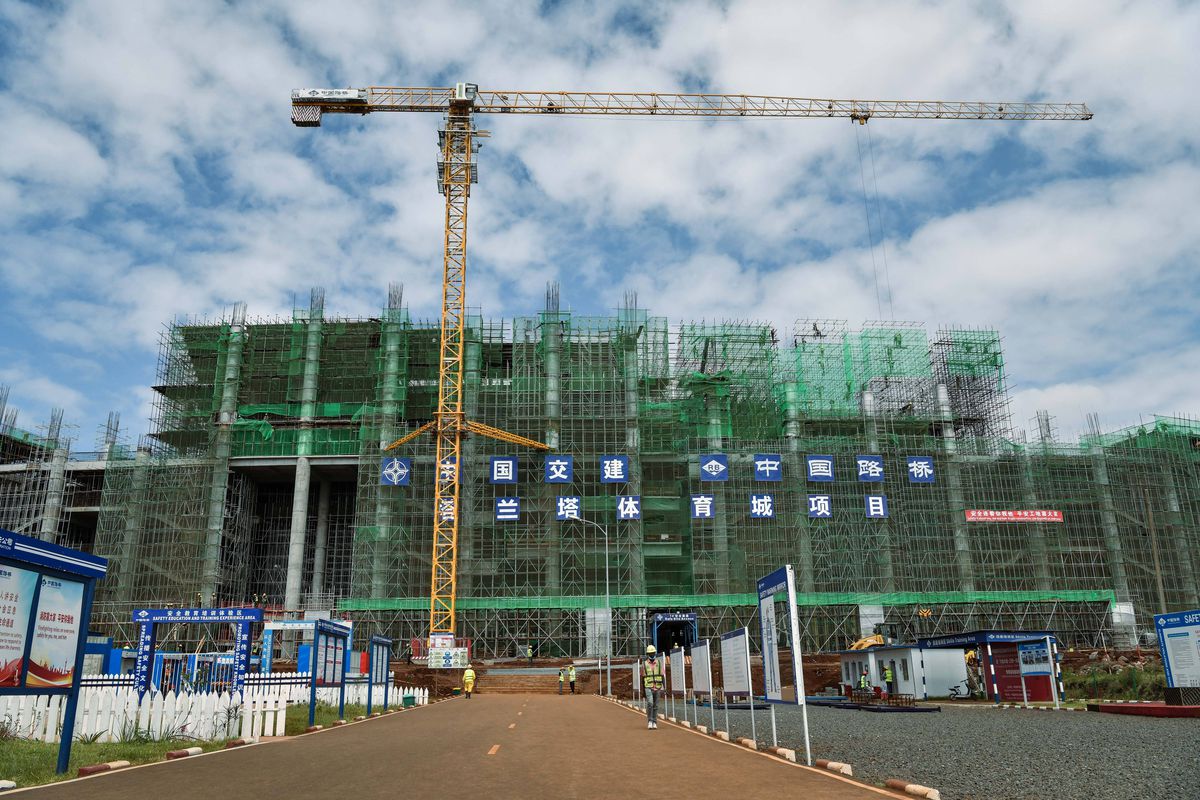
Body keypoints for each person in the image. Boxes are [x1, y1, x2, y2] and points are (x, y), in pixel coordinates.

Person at [643, 645, 664, 729]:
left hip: (658, 687)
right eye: (650, 653)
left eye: (653, 653)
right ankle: (650, 721)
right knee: (650, 703)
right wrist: (643, 692)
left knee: (656, 705)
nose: (652, 654)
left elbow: (662, 676)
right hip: (648, 686)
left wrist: (664, 688)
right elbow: (643, 678)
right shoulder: (644, 664)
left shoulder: (659, 662)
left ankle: (654, 722)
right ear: (648, 654)